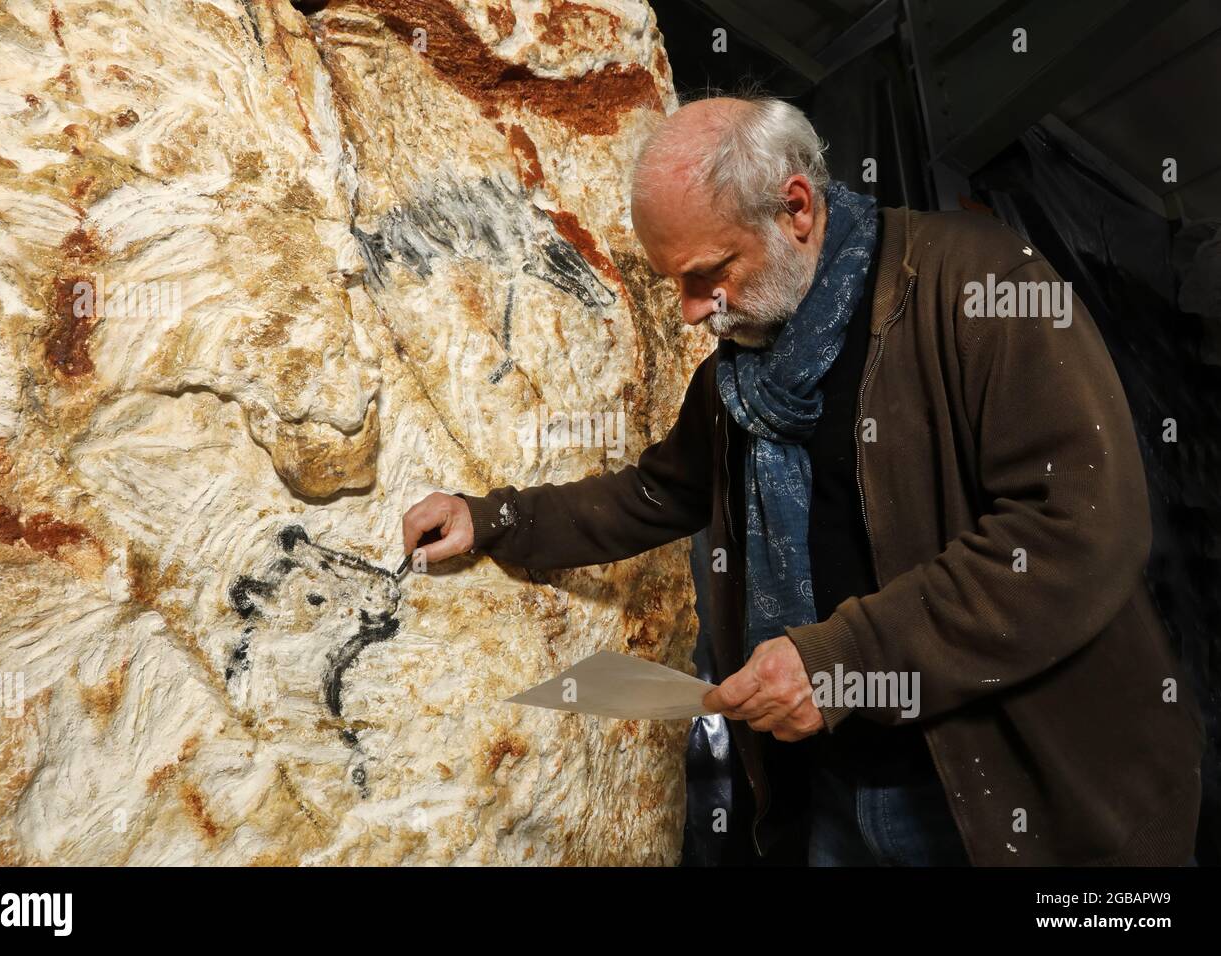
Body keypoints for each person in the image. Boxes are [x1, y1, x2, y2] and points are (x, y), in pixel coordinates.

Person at [401, 96, 1205, 866]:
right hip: (834, 793)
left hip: (1002, 802)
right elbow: (657, 493)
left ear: (795, 209)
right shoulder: (741, 378)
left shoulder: (983, 287)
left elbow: (1076, 529)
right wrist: (492, 518)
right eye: (675, 284)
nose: (689, 314)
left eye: (708, 274)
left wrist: (838, 660)